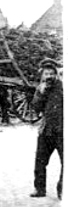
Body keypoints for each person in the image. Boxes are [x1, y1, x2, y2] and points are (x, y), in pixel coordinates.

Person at [30, 59, 63, 199]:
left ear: (56, 74)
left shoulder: (62, 87)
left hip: (62, 131)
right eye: (46, 73)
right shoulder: (41, 88)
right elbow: (36, 108)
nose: (49, 76)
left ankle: (62, 190)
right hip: (46, 130)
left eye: (51, 73)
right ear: (42, 75)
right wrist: (40, 94)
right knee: (40, 161)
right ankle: (40, 189)